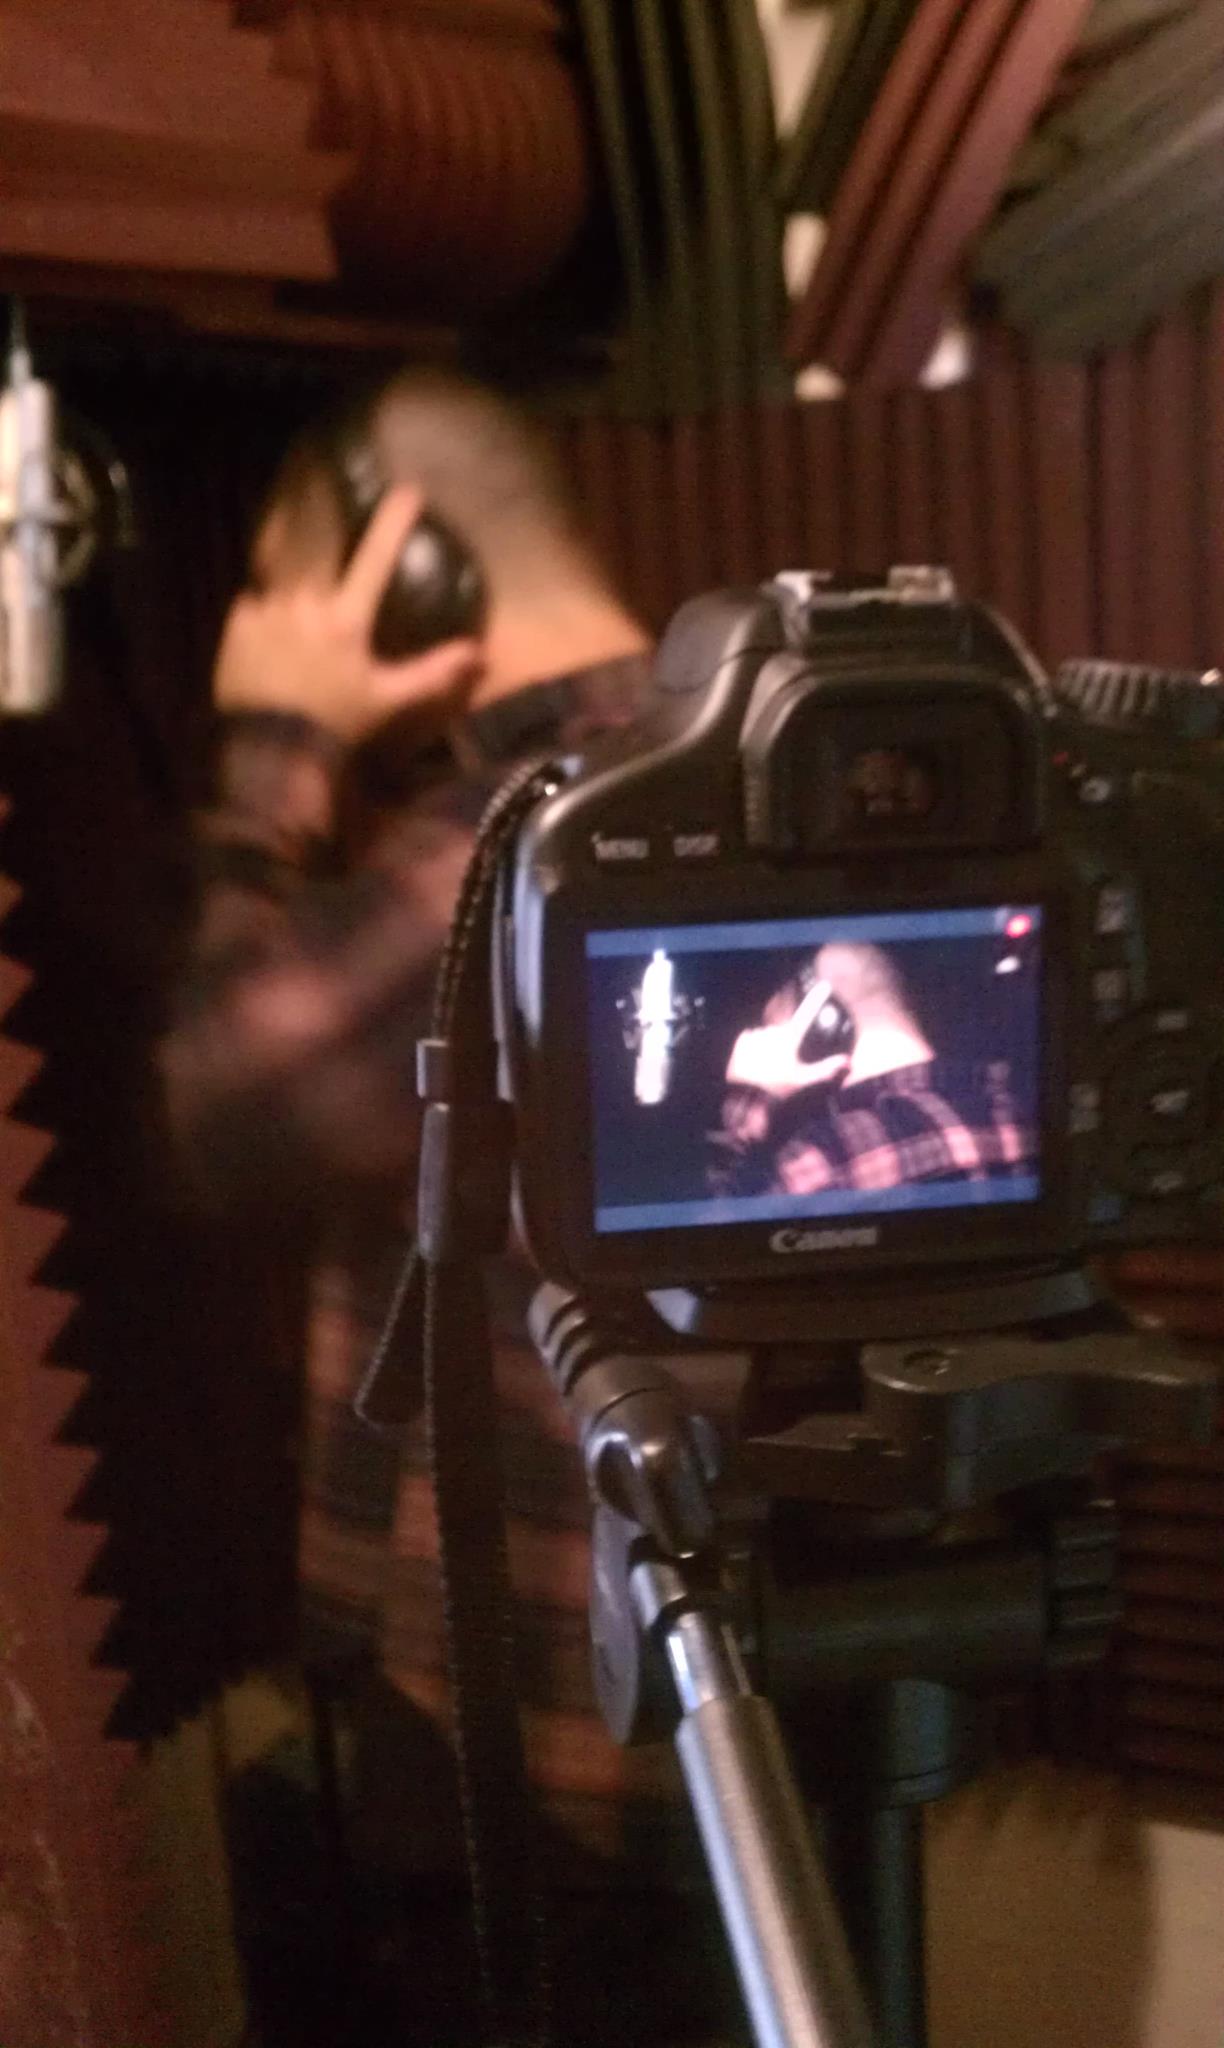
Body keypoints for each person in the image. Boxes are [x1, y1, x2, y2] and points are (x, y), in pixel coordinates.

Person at [161, 368, 746, 2047]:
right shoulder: (756, 777)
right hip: (768, 1762)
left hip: (537, 1794)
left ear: (403, 566)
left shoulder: (509, 842)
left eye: (289, 586)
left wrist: (275, 749)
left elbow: (220, 1103)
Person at [710, 940, 1034, 1200]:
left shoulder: (820, 1162)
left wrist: (750, 1101)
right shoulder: (1017, 1108)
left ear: (821, 1026)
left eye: (773, 1033)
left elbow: (719, 1243)